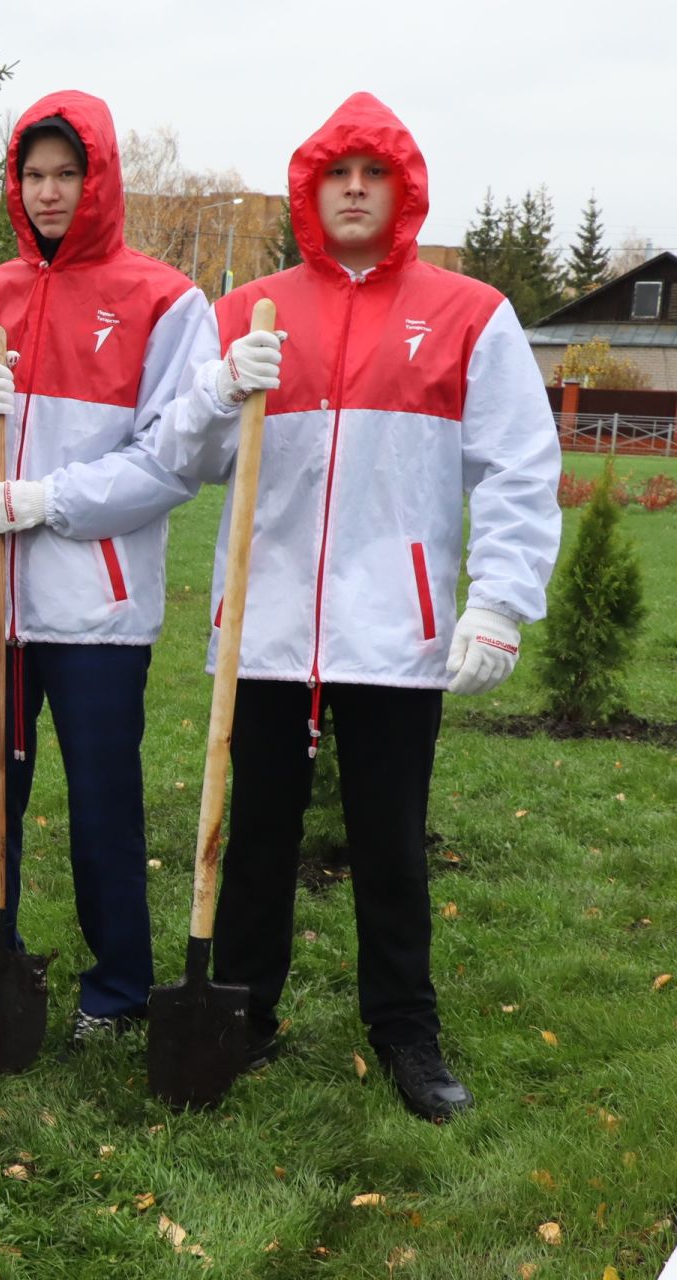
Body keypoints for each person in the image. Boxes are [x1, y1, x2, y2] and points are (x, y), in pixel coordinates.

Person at [146, 93, 561, 1120]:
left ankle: (404, 1027)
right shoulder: (249, 310)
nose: (357, 191)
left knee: (388, 834)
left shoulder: (471, 313)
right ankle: (243, 1008)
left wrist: (500, 600)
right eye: (339, 175)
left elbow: (518, 464)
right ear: (311, 191)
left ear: (404, 189)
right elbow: (178, 459)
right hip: (269, 625)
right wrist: (214, 390)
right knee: (256, 834)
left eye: (375, 174)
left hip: (395, 631)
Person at [0, 90, 209, 1047]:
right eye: (32, 174)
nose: (48, 192)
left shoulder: (165, 301)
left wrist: (52, 501)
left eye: (65, 173)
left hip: (96, 606)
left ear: (98, 180)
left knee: (102, 796)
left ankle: (119, 988)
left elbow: (175, 462)